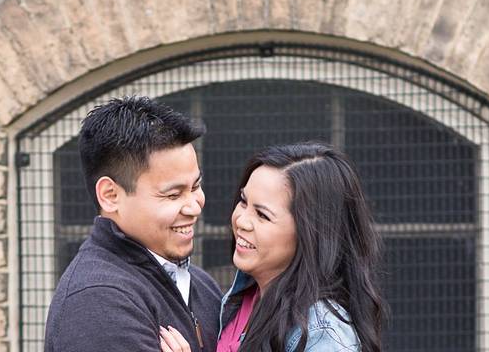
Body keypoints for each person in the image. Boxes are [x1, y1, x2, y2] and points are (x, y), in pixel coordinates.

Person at [160, 143, 386, 352]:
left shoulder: (320, 331)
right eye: (243, 201)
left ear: (311, 234)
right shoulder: (244, 296)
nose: (241, 221)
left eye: (262, 215)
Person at [44, 96, 222, 352]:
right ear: (110, 195)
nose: (194, 206)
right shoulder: (98, 301)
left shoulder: (201, 283)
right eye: (172, 195)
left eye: (195, 186)